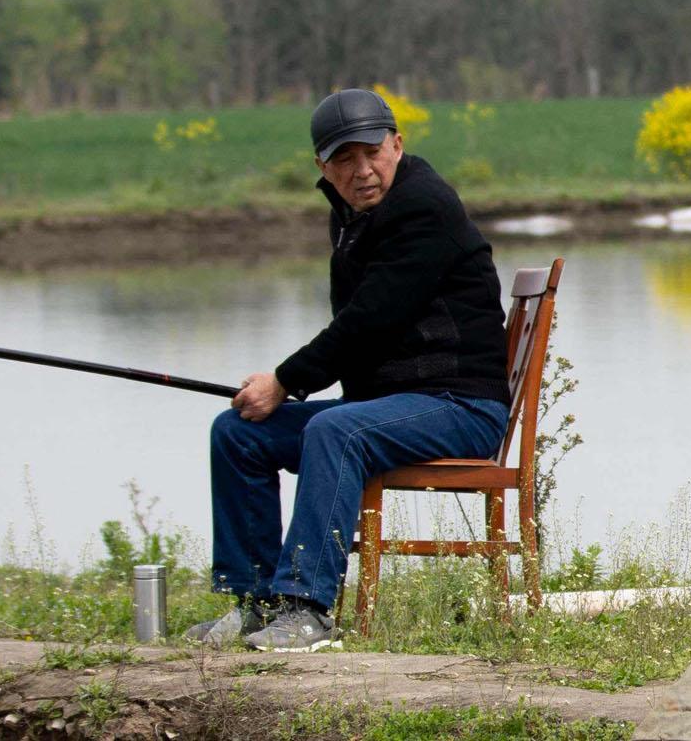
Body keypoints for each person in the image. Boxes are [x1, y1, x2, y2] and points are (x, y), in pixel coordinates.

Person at [186, 88, 512, 652]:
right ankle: (256, 606)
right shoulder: (352, 218)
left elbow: (369, 319)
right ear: (322, 167)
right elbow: (357, 331)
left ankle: (307, 610)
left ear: (397, 145)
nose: (362, 170)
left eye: (372, 152)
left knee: (334, 430)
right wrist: (283, 390)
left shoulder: (423, 205)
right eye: (344, 159)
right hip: (391, 406)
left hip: (461, 406)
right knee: (238, 432)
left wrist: (284, 381)